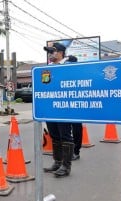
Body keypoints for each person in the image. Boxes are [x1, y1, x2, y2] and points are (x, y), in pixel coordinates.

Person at [42, 42, 75, 177]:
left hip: (64, 106)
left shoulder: (69, 66)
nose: (50, 54)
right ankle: (57, 162)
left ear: (61, 52)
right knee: (54, 134)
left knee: (65, 135)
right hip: (51, 106)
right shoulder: (47, 68)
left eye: (53, 51)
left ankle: (66, 166)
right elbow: (44, 85)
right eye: (49, 52)